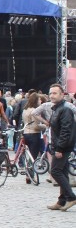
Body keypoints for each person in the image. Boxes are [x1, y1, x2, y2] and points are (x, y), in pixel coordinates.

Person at [46, 84, 76, 212]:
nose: (52, 95)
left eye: (55, 93)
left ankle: (71, 197)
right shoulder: (57, 109)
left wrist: (59, 148)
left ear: (62, 94)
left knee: (55, 171)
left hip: (62, 146)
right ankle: (62, 200)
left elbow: (66, 131)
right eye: (51, 93)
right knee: (62, 172)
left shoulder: (65, 110)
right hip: (59, 145)